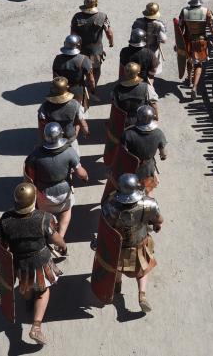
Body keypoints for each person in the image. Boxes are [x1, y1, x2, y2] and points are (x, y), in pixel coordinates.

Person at [0, 182, 67, 345]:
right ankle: (36, 327)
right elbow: (55, 237)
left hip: (20, 262)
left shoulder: (5, 220)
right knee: (43, 289)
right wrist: (63, 245)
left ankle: (28, 300)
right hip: (40, 261)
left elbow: (2, 244)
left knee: (25, 285)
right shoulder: (44, 218)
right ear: (33, 200)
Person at [101, 173, 163, 312]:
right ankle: (142, 295)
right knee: (142, 270)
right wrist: (157, 226)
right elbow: (159, 220)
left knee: (117, 266)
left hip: (119, 246)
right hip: (139, 243)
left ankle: (117, 284)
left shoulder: (111, 206)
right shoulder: (148, 203)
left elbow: (106, 227)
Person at [24, 122, 88, 242]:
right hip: (64, 192)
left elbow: (29, 177)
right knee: (66, 210)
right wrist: (85, 177)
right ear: (61, 135)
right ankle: (61, 237)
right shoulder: (69, 151)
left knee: (46, 216)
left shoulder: (35, 155)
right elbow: (80, 173)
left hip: (44, 194)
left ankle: (49, 233)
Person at [178, 0, 213, 99]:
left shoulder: (184, 11)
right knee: (198, 64)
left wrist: (178, 44)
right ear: (200, 0)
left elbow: (179, 29)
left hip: (188, 41)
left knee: (189, 60)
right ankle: (195, 86)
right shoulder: (207, 12)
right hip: (201, 42)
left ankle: (190, 80)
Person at [121, 105, 167, 194]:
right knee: (149, 192)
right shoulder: (158, 133)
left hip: (131, 169)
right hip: (148, 169)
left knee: (129, 191)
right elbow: (163, 154)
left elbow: (122, 153)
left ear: (137, 117)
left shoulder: (127, 133)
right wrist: (163, 156)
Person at [71, 0, 114, 86]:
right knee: (96, 71)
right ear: (96, 4)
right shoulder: (102, 16)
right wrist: (111, 42)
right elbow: (109, 33)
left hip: (80, 50)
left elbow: (72, 34)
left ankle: (81, 87)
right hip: (96, 51)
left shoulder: (77, 17)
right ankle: (92, 89)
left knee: (80, 69)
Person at [38, 77, 89, 146]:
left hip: (52, 142)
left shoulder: (44, 106)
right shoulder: (75, 104)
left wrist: (43, 141)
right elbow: (82, 122)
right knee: (74, 156)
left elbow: (41, 127)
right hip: (70, 140)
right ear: (66, 88)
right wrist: (85, 132)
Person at [52, 34, 95, 112]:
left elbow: (55, 77)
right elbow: (91, 79)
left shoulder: (57, 59)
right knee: (78, 111)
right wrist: (92, 89)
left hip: (61, 90)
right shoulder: (84, 59)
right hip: (77, 90)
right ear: (78, 46)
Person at [131, 3, 168, 78]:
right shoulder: (159, 24)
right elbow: (164, 40)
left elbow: (133, 34)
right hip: (153, 51)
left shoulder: (137, 22)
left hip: (138, 49)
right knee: (151, 72)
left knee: (138, 70)